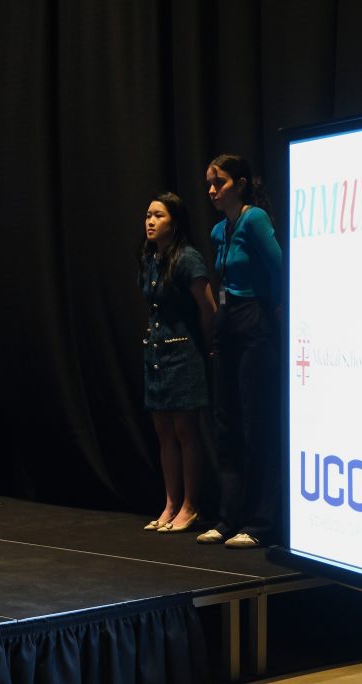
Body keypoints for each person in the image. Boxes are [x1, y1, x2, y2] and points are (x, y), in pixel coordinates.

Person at [196, 154, 282, 549]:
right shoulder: (219, 231)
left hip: (255, 320)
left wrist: (276, 318)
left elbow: (280, 270)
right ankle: (227, 518)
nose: (212, 190)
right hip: (228, 324)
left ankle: (260, 522)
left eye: (221, 182)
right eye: (210, 183)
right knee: (225, 421)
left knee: (255, 421)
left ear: (242, 183)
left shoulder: (254, 219)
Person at [137, 192, 216, 534]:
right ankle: (170, 503)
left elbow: (208, 309)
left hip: (184, 354)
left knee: (186, 431)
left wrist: (210, 346)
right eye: (148, 216)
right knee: (164, 432)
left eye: (159, 216)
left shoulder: (188, 258)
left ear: (175, 222)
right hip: (155, 354)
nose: (151, 222)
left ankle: (190, 505)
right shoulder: (150, 258)